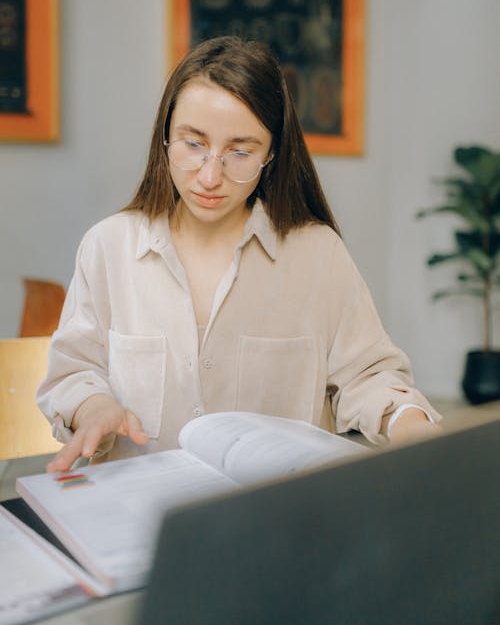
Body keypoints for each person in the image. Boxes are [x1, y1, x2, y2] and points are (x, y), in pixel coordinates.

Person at [37, 36, 440, 473]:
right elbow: (72, 372)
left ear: (272, 154)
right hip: (138, 519)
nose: (211, 176)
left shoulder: (317, 254)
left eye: (241, 152)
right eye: (193, 144)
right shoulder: (108, 247)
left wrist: (409, 422)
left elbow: (369, 378)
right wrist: (94, 407)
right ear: (164, 139)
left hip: (275, 523)